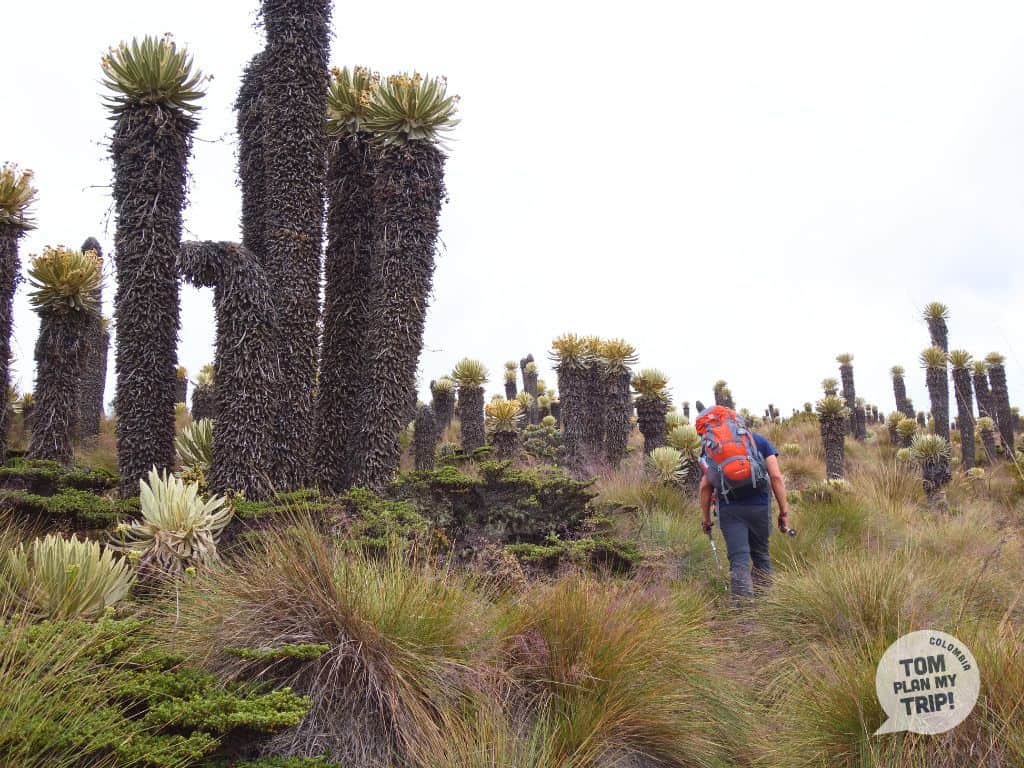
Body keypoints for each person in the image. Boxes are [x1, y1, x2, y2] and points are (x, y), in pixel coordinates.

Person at [698, 420, 792, 599]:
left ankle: (743, 615)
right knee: (761, 555)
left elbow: (705, 486)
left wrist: (706, 519)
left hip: (729, 509)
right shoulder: (759, 441)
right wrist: (783, 512)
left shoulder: (712, 449)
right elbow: (776, 477)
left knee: (739, 559)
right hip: (759, 507)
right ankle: (766, 604)